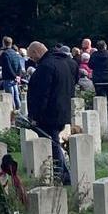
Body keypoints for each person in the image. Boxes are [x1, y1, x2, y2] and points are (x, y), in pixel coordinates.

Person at [24, 41, 75, 186]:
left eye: (32, 57)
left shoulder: (46, 66)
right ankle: (62, 173)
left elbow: (41, 94)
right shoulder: (62, 63)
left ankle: (63, 175)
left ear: (36, 52)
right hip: (61, 110)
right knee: (53, 143)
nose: (32, 61)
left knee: (52, 144)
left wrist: (35, 115)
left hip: (49, 114)